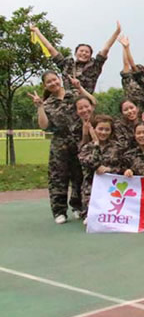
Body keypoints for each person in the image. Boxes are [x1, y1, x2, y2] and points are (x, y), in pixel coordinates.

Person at [29, 72, 97, 224]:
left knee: (80, 175)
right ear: (45, 85)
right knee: (58, 177)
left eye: (54, 79)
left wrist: (80, 87)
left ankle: (78, 206)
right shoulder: (47, 103)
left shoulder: (74, 95)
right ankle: (59, 211)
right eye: (49, 82)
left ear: (59, 79)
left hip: (80, 141)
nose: (53, 83)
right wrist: (40, 107)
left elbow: (92, 103)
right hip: (60, 145)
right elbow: (44, 126)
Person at [30, 22, 121, 93]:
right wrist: (37, 31)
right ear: (75, 53)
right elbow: (50, 49)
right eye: (81, 51)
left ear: (90, 55)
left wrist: (116, 33)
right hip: (67, 102)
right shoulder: (67, 64)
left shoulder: (95, 66)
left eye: (87, 52)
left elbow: (105, 49)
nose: (84, 53)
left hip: (85, 103)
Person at [78, 115, 120, 221]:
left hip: (112, 188)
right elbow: (90, 163)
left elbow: (122, 167)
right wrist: (96, 144)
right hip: (91, 189)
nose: (103, 132)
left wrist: (109, 170)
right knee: (92, 219)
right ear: (94, 129)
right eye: (100, 129)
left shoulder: (117, 147)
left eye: (107, 129)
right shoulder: (86, 147)